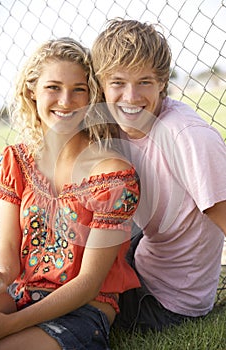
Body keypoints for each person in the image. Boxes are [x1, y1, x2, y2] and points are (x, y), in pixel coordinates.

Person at [0, 37, 140, 349]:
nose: (66, 100)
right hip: (21, 295)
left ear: (92, 96)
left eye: (79, 89)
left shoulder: (113, 176)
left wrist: (8, 326)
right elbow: (8, 264)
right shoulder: (16, 162)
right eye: (53, 87)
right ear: (31, 91)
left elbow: (87, 285)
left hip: (83, 309)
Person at [91, 18, 226, 333]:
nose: (131, 96)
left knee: (68, 301)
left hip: (165, 300)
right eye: (118, 82)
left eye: (145, 82)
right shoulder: (111, 125)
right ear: (101, 85)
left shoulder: (188, 137)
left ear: (163, 83)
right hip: (145, 256)